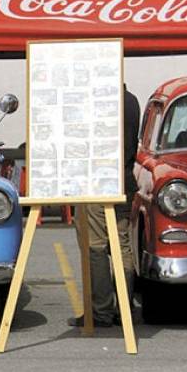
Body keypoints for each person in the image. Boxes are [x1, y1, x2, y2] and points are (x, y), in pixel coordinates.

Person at [75, 86, 141, 328]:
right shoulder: (131, 99)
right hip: (124, 180)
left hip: (96, 180)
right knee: (122, 245)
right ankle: (124, 308)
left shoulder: (97, 98)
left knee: (95, 247)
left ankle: (100, 311)